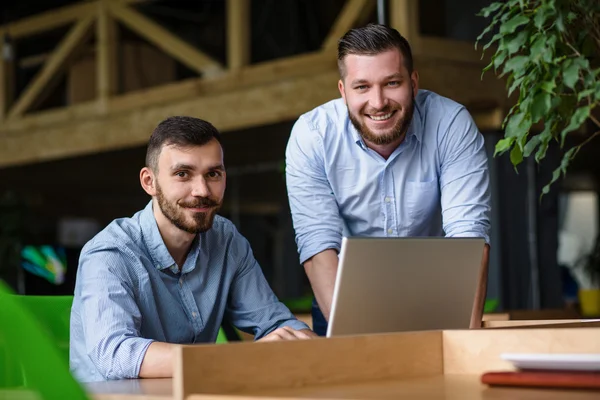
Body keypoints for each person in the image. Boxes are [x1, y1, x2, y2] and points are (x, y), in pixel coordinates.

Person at [70, 116, 315, 382]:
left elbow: (275, 323)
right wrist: (236, 357)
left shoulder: (226, 240)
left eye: (213, 174)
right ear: (149, 182)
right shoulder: (110, 253)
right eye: (182, 174)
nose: (202, 190)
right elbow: (115, 354)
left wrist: (307, 341)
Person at [285, 24, 491, 336]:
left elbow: (469, 238)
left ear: (413, 82)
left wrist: (467, 343)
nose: (379, 102)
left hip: (437, 296)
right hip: (345, 296)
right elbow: (317, 244)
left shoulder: (451, 124)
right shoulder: (312, 135)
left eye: (392, 83)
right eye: (362, 87)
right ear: (343, 91)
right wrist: (355, 345)